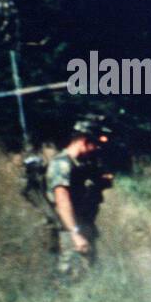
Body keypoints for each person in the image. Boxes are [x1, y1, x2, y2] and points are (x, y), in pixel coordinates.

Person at [46, 116, 112, 279]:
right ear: (83, 140)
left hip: (82, 228)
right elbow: (62, 200)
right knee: (71, 282)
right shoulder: (62, 164)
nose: (96, 148)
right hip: (69, 232)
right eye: (94, 143)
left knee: (88, 277)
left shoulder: (80, 165)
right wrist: (75, 233)